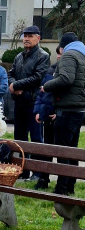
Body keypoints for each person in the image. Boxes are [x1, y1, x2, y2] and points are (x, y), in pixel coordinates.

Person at [42, 31, 85, 195]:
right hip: (79, 109)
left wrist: (46, 86)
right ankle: (70, 187)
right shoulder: (82, 56)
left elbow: (66, 79)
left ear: (62, 46)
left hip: (67, 109)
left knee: (63, 152)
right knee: (72, 151)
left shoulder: (69, 55)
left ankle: (61, 189)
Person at [8, 25, 50, 179]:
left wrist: (17, 85)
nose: (26, 38)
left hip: (34, 103)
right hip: (19, 102)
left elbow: (38, 77)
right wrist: (13, 85)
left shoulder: (42, 56)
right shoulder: (19, 56)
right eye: (25, 35)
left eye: (30, 36)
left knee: (36, 138)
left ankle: (37, 173)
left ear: (38, 38)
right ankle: (22, 171)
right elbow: (10, 74)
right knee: (19, 138)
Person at [33, 48, 60, 190]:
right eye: (59, 54)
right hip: (46, 117)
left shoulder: (68, 73)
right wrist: (38, 111)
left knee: (61, 152)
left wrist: (59, 112)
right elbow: (41, 94)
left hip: (59, 117)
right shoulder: (50, 71)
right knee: (46, 150)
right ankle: (44, 179)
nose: (60, 56)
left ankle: (63, 183)